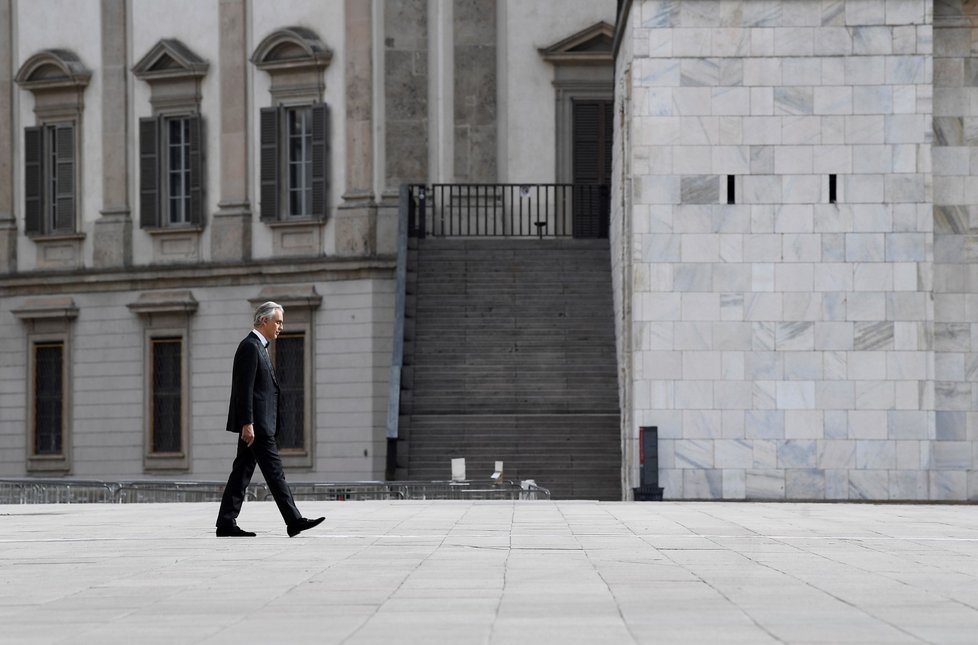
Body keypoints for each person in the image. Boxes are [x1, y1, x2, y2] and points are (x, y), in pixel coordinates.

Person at [215, 301, 324, 538]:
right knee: (275, 473)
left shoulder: (258, 347)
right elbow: (244, 389)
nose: (281, 327)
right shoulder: (250, 347)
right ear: (263, 321)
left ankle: (225, 522)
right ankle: (293, 520)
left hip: (258, 424)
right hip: (258, 426)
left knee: (241, 473)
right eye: (278, 322)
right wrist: (247, 423)